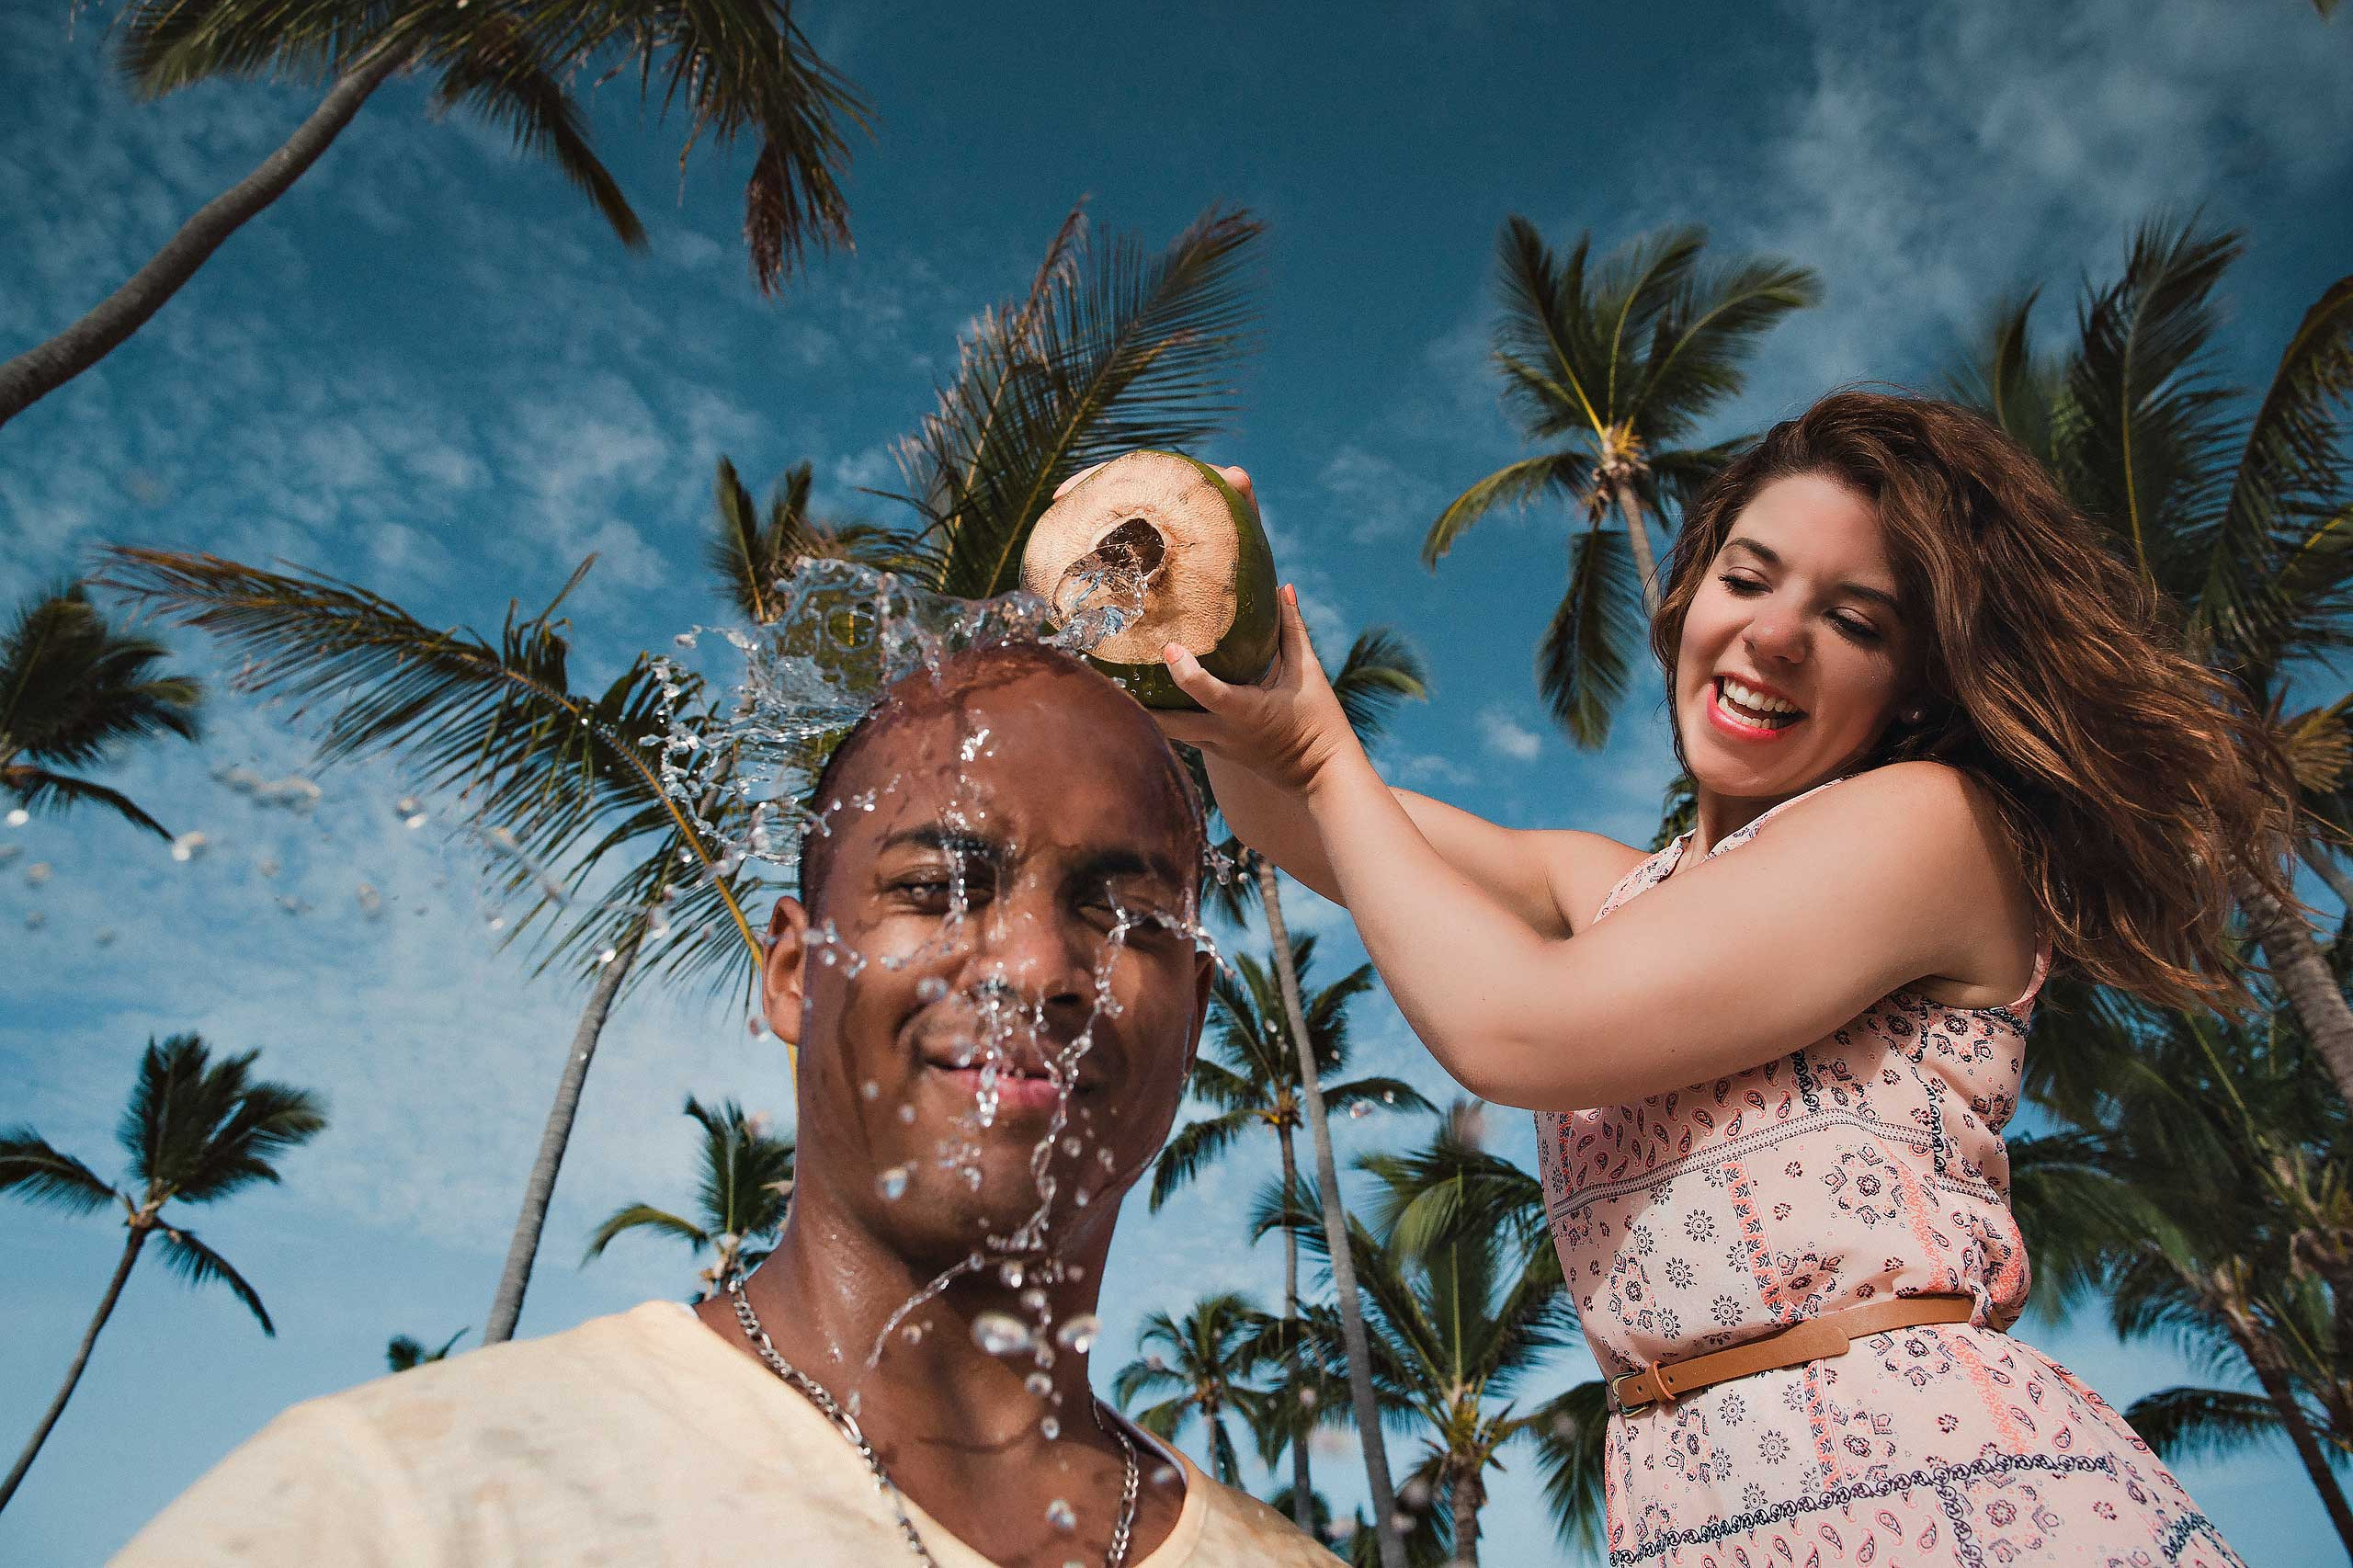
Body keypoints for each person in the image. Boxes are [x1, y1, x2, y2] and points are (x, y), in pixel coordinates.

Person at [1164, 391, 2290, 1566]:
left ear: (1912, 684)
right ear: (1689, 592)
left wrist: (1312, 740)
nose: (1775, 635)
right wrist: (1222, 626)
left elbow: (1517, 1028)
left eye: (1853, 619)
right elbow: (1295, 812)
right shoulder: (1604, 887)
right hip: (1684, 1503)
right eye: (1747, 579)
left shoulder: (1932, 824)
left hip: (1932, 1487)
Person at [115, 643, 1335, 1568]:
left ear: (1197, 1002)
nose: (1032, 961)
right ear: (798, 973)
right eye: (938, 886)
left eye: (1126, 913)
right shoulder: (400, 1506)